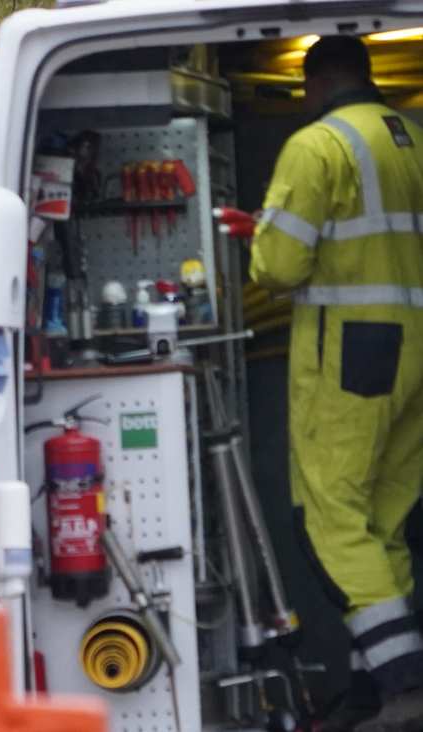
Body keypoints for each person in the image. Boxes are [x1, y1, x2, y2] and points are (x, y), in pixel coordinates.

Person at [248, 35, 423, 732]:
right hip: (415, 351)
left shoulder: (316, 146)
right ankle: (372, 691)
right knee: (383, 522)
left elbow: (280, 268)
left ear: (316, 81)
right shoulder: (412, 136)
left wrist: (258, 236)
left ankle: (405, 687)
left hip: (355, 355)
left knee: (331, 520)